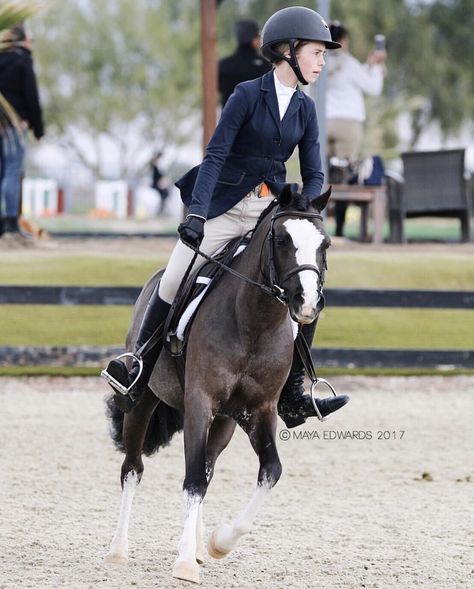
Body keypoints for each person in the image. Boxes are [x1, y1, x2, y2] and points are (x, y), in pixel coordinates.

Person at [103, 6, 349, 427]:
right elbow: (215, 155)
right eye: (316, 52)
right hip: (224, 206)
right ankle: (136, 367)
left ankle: (292, 392)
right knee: (177, 272)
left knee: (304, 281)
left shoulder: (306, 110)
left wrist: (306, 213)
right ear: (289, 51)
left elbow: (314, 173)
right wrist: (197, 213)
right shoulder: (246, 95)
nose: (322, 61)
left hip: (267, 213)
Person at [326, 21, 386, 237]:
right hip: (348, 125)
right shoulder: (349, 63)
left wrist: (367, 66)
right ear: (342, 41)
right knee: (344, 177)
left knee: (320, 174)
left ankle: (317, 223)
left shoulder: (321, 61)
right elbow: (374, 88)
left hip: (323, 122)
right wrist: (378, 66)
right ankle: (340, 229)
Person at [0, 24, 44, 240]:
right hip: (15, 126)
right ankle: (10, 223)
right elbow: (31, 97)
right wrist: (38, 127)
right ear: (22, 40)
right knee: (11, 172)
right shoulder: (22, 61)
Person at [218, 19, 271, 107]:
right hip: (257, 119)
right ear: (253, 39)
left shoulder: (223, 65)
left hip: (230, 118)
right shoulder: (264, 65)